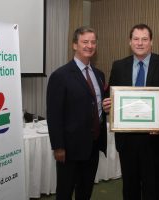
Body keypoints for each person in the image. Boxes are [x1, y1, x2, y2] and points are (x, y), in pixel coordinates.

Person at [103, 23, 159, 200]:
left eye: (144, 39)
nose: (140, 43)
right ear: (130, 42)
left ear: (151, 42)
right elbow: (111, 95)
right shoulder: (119, 66)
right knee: (129, 186)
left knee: (152, 187)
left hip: (154, 139)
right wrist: (108, 104)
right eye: (136, 39)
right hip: (127, 139)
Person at [46, 26, 107, 200]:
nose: (89, 46)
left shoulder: (99, 74)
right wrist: (58, 146)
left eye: (93, 42)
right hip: (70, 148)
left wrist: (106, 107)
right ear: (74, 45)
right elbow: (54, 114)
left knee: (85, 191)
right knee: (65, 192)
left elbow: (97, 104)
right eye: (85, 42)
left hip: (93, 145)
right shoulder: (60, 75)